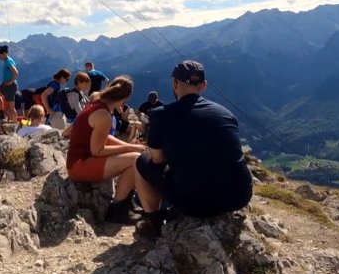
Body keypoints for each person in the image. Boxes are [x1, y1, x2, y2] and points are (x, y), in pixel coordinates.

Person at [134, 60, 254, 235]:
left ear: (175, 83)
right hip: (239, 197)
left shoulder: (160, 116)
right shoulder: (226, 114)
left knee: (141, 161)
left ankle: (153, 222)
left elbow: (157, 160)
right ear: (203, 85)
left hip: (196, 205)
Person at [66, 76, 146, 224]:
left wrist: (129, 146)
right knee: (136, 159)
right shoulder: (104, 115)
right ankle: (117, 210)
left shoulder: (96, 103)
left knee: (133, 156)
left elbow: (102, 137)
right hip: (79, 166)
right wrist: (131, 147)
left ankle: (126, 202)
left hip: (77, 161)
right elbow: (97, 150)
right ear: (126, 98)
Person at [0, 45, 19, 122]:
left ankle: (15, 123)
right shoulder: (7, 60)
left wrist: (11, 82)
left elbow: (16, 73)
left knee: (11, 107)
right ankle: (1, 113)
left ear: (4, 53)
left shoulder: (8, 61)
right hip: (5, 84)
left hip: (10, 86)